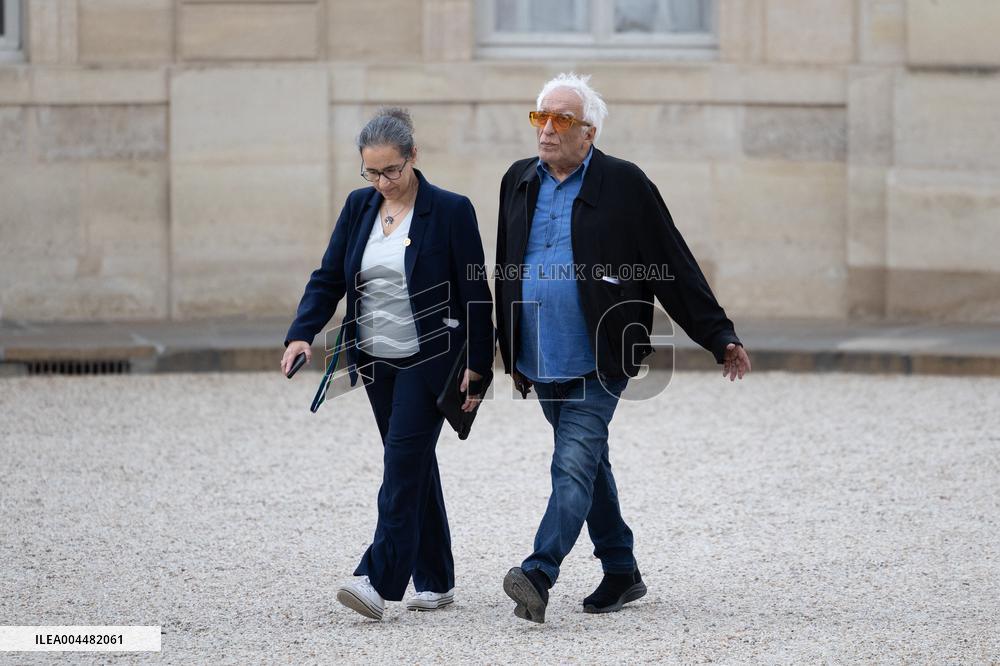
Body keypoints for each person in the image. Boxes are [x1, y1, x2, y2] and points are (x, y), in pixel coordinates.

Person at [494, 74, 752, 623]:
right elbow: (506, 267)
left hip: (601, 355)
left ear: (588, 131)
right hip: (540, 356)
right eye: (540, 117)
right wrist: (504, 344)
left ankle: (539, 572)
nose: (546, 130)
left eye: (560, 119)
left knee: (571, 466)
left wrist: (718, 334)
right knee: (590, 467)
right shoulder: (517, 180)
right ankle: (621, 570)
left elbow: (671, 262)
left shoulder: (624, 183)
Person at [281, 108, 494, 621]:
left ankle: (378, 580)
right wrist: (302, 333)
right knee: (413, 464)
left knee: (401, 463)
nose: (382, 182)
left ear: (413, 157)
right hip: (375, 361)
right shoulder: (359, 207)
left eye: (391, 171)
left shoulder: (451, 210)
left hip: (430, 358)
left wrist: (479, 365)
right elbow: (329, 275)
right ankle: (437, 580)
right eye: (372, 172)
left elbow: (476, 294)